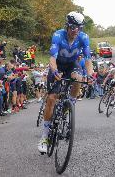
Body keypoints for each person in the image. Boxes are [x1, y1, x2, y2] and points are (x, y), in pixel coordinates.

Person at [38, 11, 93, 153]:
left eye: (79, 28)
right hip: (57, 64)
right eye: (74, 27)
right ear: (67, 26)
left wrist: (91, 75)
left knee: (78, 78)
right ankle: (44, 136)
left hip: (72, 64)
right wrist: (54, 70)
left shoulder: (84, 38)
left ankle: (71, 101)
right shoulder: (58, 35)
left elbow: (87, 60)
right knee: (51, 99)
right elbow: (52, 58)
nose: (76, 31)